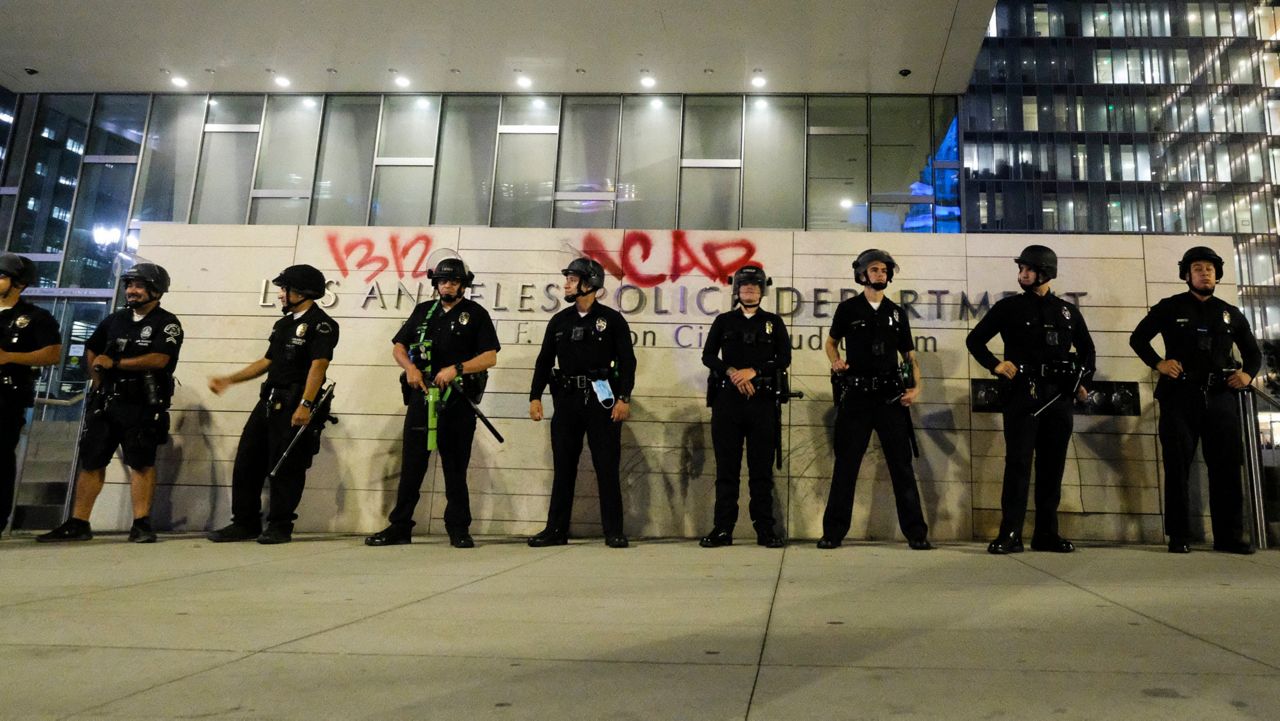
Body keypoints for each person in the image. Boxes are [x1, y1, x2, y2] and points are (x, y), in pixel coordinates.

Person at [37, 263, 182, 543]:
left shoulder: (167, 323)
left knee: (140, 462)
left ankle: (141, 523)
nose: (132, 291)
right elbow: (92, 348)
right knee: (92, 461)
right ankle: (79, 523)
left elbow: (159, 359)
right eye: (129, 285)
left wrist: (115, 362)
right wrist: (97, 378)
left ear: (155, 289)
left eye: (139, 285)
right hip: (106, 402)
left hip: (141, 404)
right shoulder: (115, 320)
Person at [1129, 246, 1260, 554]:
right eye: (1198, 268)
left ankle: (1228, 536)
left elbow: (1252, 353)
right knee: (1177, 467)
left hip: (1221, 397)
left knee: (1226, 467)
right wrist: (1159, 363)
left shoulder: (1230, 313)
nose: (1205, 273)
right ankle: (1179, 535)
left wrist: (1248, 375)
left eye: (1210, 269)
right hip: (1180, 397)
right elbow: (1138, 338)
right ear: (1187, 274)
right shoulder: (1170, 307)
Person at [966, 245, 1094, 554]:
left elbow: (1088, 353)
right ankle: (1010, 533)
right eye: (1021, 269)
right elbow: (975, 340)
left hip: (1059, 397)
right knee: (1018, 465)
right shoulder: (1009, 307)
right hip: (1024, 394)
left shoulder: (1067, 311)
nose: (1022, 274)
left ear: (1045, 272)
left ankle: (1046, 534)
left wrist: (1080, 383)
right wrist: (995, 365)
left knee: (1052, 467)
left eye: (1028, 269)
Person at [365, 257, 500, 549]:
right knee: (412, 466)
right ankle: (400, 526)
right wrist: (410, 369)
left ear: (463, 284)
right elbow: (399, 347)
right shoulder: (424, 311)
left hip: (456, 402)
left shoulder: (475, 314)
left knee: (455, 468)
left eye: (453, 281)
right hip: (422, 398)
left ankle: (458, 528)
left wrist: (457, 369)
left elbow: (490, 356)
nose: (447, 285)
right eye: (442, 281)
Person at [207, 264, 339, 545]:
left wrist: (306, 404)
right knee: (247, 461)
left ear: (301, 292)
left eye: (284, 289)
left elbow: (319, 365)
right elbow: (267, 362)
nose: (280, 294)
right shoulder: (284, 324)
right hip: (269, 400)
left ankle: (280, 525)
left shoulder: (321, 324)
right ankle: (245, 522)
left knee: (286, 466)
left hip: (294, 403)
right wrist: (230, 380)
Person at [816, 249, 932, 550]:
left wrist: (916, 388)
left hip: (890, 398)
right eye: (875, 270)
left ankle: (916, 533)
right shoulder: (849, 309)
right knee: (846, 465)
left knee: (901, 466)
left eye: (884, 270)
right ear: (862, 274)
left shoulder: (896, 312)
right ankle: (833, 532)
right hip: (856, 396)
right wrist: (836, 360)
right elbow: (830, 343)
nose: (880, 274)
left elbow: (909, 356)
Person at [528, 257, 636, 548]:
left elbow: (628, 362)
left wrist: (624, 398)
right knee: (563, 467)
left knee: (607, 467)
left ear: (589, 284)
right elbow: (544, 362)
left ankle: (613, 530)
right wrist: (535, 396)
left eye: (572, 279)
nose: (566, 283)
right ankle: (556, 530)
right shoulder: (560, 321)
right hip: (567, 401)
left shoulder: (611, 320)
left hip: (603, 401)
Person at [699, 265, 789, 548]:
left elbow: (783, 358)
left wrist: (754, 371)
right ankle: (723, 529)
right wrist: (732, 372)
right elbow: (708, 356)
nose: (749, 290)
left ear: (762, 290)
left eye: (755, 286)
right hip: (728, 403)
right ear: (736, 290)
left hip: (762, 403)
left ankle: (765, 530)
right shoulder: (724, 321)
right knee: (727, 470)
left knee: (761, 471)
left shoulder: (774, 322)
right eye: (745, 286)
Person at [0, 253, 61, 535]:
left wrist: (9, 357)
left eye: (1, 276)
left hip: (6, 396)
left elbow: (52, 354)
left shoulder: (35, 317)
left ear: (19, 284)